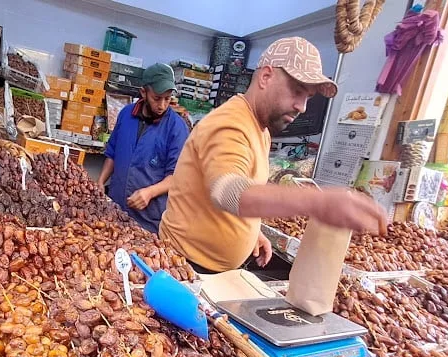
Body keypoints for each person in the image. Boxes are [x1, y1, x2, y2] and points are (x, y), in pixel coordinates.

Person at [159, 37, 388, 273]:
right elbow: (227, 191)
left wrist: (252, 231)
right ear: (266, 77)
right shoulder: (229, 124)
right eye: (297, 91)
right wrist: (318, 202)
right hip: (187, 266)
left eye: (308, 97)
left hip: (214, 267)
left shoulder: (260, 128)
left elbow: (242, 184)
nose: (302, 107)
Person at [98, 63, 189, 233]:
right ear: (143, 92)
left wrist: (149, 192)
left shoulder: (177, 128)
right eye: (157, 98)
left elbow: (177, 177)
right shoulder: (126, 114)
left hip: (147, 220)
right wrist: (101, 181)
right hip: (114, 210)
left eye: (167, 99)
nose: (162, 105)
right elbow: (112, 153)